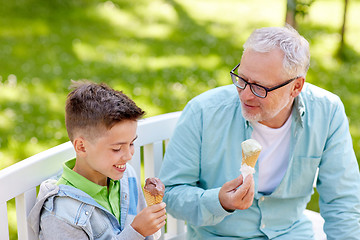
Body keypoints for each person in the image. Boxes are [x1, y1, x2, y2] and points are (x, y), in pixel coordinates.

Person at [159, 26, 360, 239]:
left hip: (290, 234)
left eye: (259, 87)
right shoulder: (203, 112)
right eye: (242, 79)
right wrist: (218, 202)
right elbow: (171, 193)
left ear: (296, 87)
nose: (245, 95)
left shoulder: (327, 112)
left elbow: (342, 199)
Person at [28, 80, 167, 239]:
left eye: (132, 143)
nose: (128, 155)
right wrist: (136, 232)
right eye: (117, 148)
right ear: (81, 147)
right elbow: (139, 231)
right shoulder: (60, 214)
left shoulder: (127, 175)